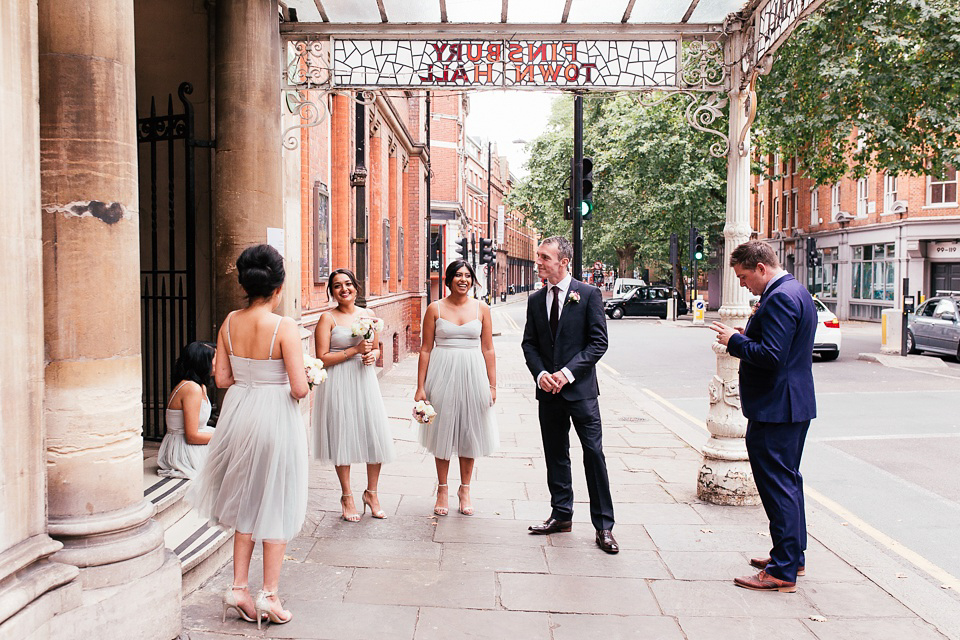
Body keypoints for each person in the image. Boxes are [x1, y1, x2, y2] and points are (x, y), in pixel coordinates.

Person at [189, 244, 309, 627]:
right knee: (277, 499)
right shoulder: (284, 326)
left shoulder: (228, 322)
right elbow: (299, 388)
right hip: (275, 419)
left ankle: (238, 587)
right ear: (279, 286)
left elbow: (222, 378)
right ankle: (269, 596)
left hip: (240, 415)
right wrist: (309, 373)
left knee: (245, 501)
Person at [708, 240, 817, 593]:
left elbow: (772, 356)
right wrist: (745, 336)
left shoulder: (781, 297)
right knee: (789, 481)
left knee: (777, 485)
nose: (742, 285)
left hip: (776, 408)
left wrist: (733, 342)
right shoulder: (796, 290)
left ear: (760, 268)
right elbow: (779, 346)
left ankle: (782, 570)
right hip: (788, 404)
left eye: (743, 278)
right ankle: (791, 556)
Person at [521, 236, 618, 554]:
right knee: (555, 454)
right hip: (548, 393)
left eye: (544, 258)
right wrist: (541, 374)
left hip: (580, 393)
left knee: (593, 455)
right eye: (538, 257)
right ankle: (561, 515)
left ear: (564, 262)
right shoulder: (536, 300)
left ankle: (604, 526)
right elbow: (530, 344)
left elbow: (598, 343)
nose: (539, 263)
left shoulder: (588, 295)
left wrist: (567, 372)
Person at [415, 260, 498, 517]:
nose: (463, 279)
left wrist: (492, 385)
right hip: (442, 373)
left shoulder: (481, 308)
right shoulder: (434, 309)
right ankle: (442, 488)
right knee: (442, 431)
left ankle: (465, 489)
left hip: (473, 374)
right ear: (448, 279)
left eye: (467, 275)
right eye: (458, 275)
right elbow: (426, 349)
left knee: (469, 431)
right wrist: (420, 387)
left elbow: (488, 349)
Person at [313, 268, 395, 521]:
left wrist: (372, 354)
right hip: (338, 383)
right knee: (342, 438)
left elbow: (377, 349)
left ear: (356, 287)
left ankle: (372, 493)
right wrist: (355, 350)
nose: (344, 289)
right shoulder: (327, 319)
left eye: (348, 284)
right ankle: (347, 496)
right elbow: (321, 359)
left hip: (364, 380)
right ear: (332, 292)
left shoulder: (368, 315)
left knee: (374, 435)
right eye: (337, 286)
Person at [156, 341, 216, 479]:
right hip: (183, 449)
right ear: (203, 361)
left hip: (196, 441)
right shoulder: (191, 388)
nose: (219, 362)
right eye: (215, 358)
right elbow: (192, 437)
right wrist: (226, 436)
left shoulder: (200, 386)